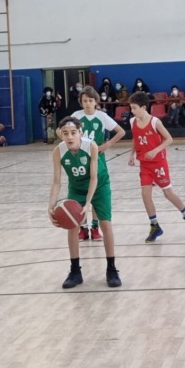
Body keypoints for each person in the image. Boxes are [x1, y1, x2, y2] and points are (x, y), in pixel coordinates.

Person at [48, 115, 121, 289]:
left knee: (105, 223)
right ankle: (75, 271)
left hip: (100, 185)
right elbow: (57, 182)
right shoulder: (58, 151)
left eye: (73, 132)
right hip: (76, 187)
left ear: (80, 133)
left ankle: (111, 269)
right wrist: (50, 206)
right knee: (72, 226)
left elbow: (94, 178)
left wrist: (88, 204)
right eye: (65, 133)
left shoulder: (91, 146)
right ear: (61, 135)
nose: (69, 136)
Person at [127, 91, 185, 243]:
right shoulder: (133, 121)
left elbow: (169, 139)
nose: (132, 111)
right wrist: (131, 154)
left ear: (143, 107)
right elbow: (135, 138)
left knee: (167, 193)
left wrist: (155, 150)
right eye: (131, 108)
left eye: (134, 108)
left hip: (158, 163)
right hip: (144, 164)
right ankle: (154, 226)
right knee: (145, 194)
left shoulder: (155, 122)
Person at [73, 86, 126, 241]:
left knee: (96, 192)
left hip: (97, 159)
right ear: (81, 102)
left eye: (90, 100)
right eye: (85, 101)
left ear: (96, 101)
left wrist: (107, 145)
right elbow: (60, 130)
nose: (88, 103)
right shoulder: (76, 116)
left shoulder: (102, 116)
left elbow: (121, 131)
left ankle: (95, 227)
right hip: (79, 159)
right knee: (81, 192)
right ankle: (83, 228)